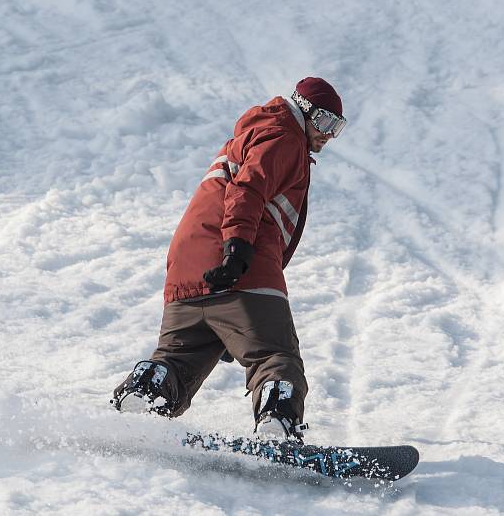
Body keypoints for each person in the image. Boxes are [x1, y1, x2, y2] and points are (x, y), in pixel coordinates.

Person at [112, 77, 346, 441]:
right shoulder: (284, 136)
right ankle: (277, 424)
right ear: (304, 109)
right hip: (238, 264)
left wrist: (225, 324)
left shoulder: (253, 134)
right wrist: (237, 248)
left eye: (338, 127)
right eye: (326, 123)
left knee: (180, 357)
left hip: (188, 271)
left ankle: (145, 394)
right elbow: (248, 188)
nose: (329, 135)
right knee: (275, 356)